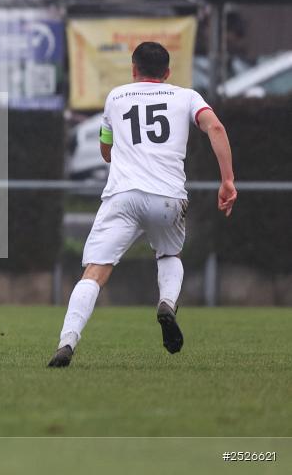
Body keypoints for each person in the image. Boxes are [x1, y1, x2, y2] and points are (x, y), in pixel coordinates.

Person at [48, 42, 237, 368]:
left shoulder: (116, 97)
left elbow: (105, 151)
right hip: (167, 197)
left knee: (94, 272)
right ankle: (166, 302)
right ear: (167, 73)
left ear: (134, 70)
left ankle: (67, 341)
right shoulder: (186, 96)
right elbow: (215, 127)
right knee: (168, 254)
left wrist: (122, 147)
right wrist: (228, 180)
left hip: (123, 196)